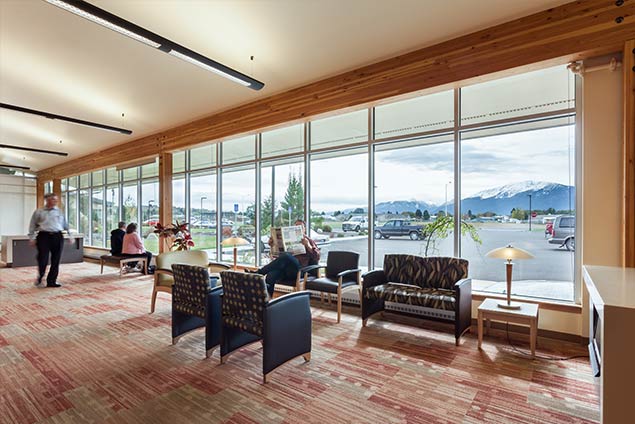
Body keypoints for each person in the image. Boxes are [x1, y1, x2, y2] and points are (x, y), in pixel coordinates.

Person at [255, 219, 320, 297]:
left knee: (287, 256)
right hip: (287, 270)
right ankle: (268, 300)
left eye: (300, 227)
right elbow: (277, 257)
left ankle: (259, 272)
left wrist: (308, 246)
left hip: (300, 270)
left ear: (304, 229)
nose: (297, 228)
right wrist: (272, 246)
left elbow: (317, 257)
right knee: (271, 275)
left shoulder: (308, 240)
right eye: (295, 226)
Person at [28, 193, 69, 287]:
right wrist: (32, 238)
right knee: (42, 258)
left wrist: (70, 235)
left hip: (57, 236)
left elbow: (65, 224)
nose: (55, 201)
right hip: (43, 236)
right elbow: (32, 225)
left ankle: (52, 281)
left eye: (56, 199)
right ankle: (40, 276)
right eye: (53, 199)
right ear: (47, 200)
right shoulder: (39, 212)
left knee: (56, 259)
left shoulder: (59, 212)